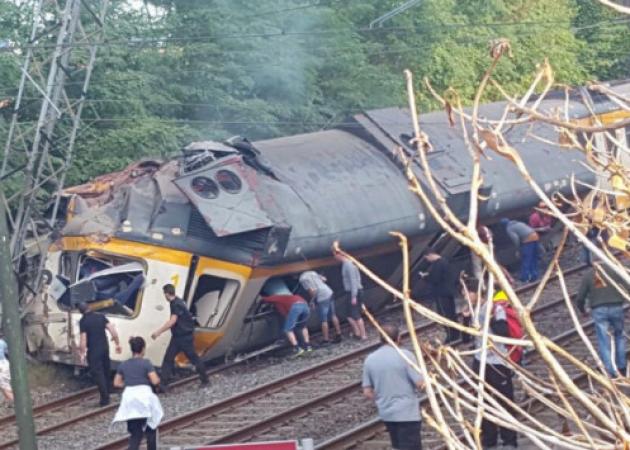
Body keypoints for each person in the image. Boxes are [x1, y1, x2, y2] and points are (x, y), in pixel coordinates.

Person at [468, 281, 518, 448]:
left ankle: (509, 440)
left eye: (467, 293)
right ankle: (489, 441)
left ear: (477, 293)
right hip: (479, 360)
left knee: (504, 401)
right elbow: (466, 339)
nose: (465, 297)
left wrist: (489, 319)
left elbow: (503, 332)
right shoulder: (473, 310)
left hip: (498, 361)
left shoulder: (496, 309)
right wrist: (466, 318)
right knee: (483, 402)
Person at [362, 324, 424, 450]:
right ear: (399, 337)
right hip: (407, 412)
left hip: (387, 413)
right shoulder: (405, 355)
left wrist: (382, 397)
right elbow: (420, 384)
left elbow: (367, 392)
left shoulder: (370, 359)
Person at [151, 284, 209, 388]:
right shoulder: (180, 301)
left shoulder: (175, 304)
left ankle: (205, 380)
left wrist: (158, 332)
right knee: (170, 358)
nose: (164, 296)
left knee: (189, 358)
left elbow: (173, 321)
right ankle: (163, 384)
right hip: (182, 336)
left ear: (167, 294)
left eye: (164, 294)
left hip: (182, 337)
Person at [575, 263, 627, 378]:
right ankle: (622, 367)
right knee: (619, 336)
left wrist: (582, 310)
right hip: (616, 307)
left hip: (598, 310)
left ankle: (610, 371)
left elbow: (580, 298)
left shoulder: (589, 274)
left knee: (603, 340)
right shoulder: (615, 270)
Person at [112, 337, 163, 450]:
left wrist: (128, 384)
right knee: (151, 428)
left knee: (135, 433)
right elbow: (155, 381)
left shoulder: (123, 365)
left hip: (129, 398)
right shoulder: (146, 363)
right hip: (144, 398)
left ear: (132, 349)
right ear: (143, 349)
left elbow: (116, 383)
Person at [78, 302, 122, 406]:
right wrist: (117, 343)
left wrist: (82, 354)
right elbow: (112, 330)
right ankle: (109, 390)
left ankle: (105, 399)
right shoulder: (100, 316)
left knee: (98, 373)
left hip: (93, 350)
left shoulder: (83, 321)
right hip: (105, 348)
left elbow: (83, 339)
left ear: (81, 311)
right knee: (106, 369)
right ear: (89, 307)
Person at [421, 252, 459, 343]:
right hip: (449, 292)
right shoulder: (446, 261)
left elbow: (435, 279)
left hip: (441, 293)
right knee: (452, 313)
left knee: (445, 315)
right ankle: (456, 333)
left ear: (430, 255)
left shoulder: (438, 264)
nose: (427, 260)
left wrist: (425, 277)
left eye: (427, 258)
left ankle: (451, 335)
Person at [298, 271, 342, 345]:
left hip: (322, 297)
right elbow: (324, 279)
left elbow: (312, 291)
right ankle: (339, 334)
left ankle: (326, 339)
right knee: (333, 315)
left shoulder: (302, 279)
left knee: (323, 319)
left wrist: (312, 302)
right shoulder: (312, 272)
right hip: (329, 292)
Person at [333, 250, 368, 340]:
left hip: (354, 292)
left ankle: (363, 335)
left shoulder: (349, 265)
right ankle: (357, 333)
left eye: (335, 255)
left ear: (340, 254)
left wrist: (354, 296)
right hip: (352, 292)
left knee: (356, 315)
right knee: (349, 314)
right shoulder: (346, 264)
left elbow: (353, 281)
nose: (334, 257)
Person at [500, 218, 540, 283]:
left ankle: (525, 277)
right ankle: (534, 276)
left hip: (528, 240)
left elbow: (515, 239)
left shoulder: (509, 228)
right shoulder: (518, 223)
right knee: (533, 258)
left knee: (526, 259)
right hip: (535, 236)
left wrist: (518, 249)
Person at [0, 335, 13, 405]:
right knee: (3, 385)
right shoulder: (3, 342)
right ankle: (10, 401)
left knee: (4, 386)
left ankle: (16, 402)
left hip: (1, 365)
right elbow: (8, 352)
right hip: (4, 363)